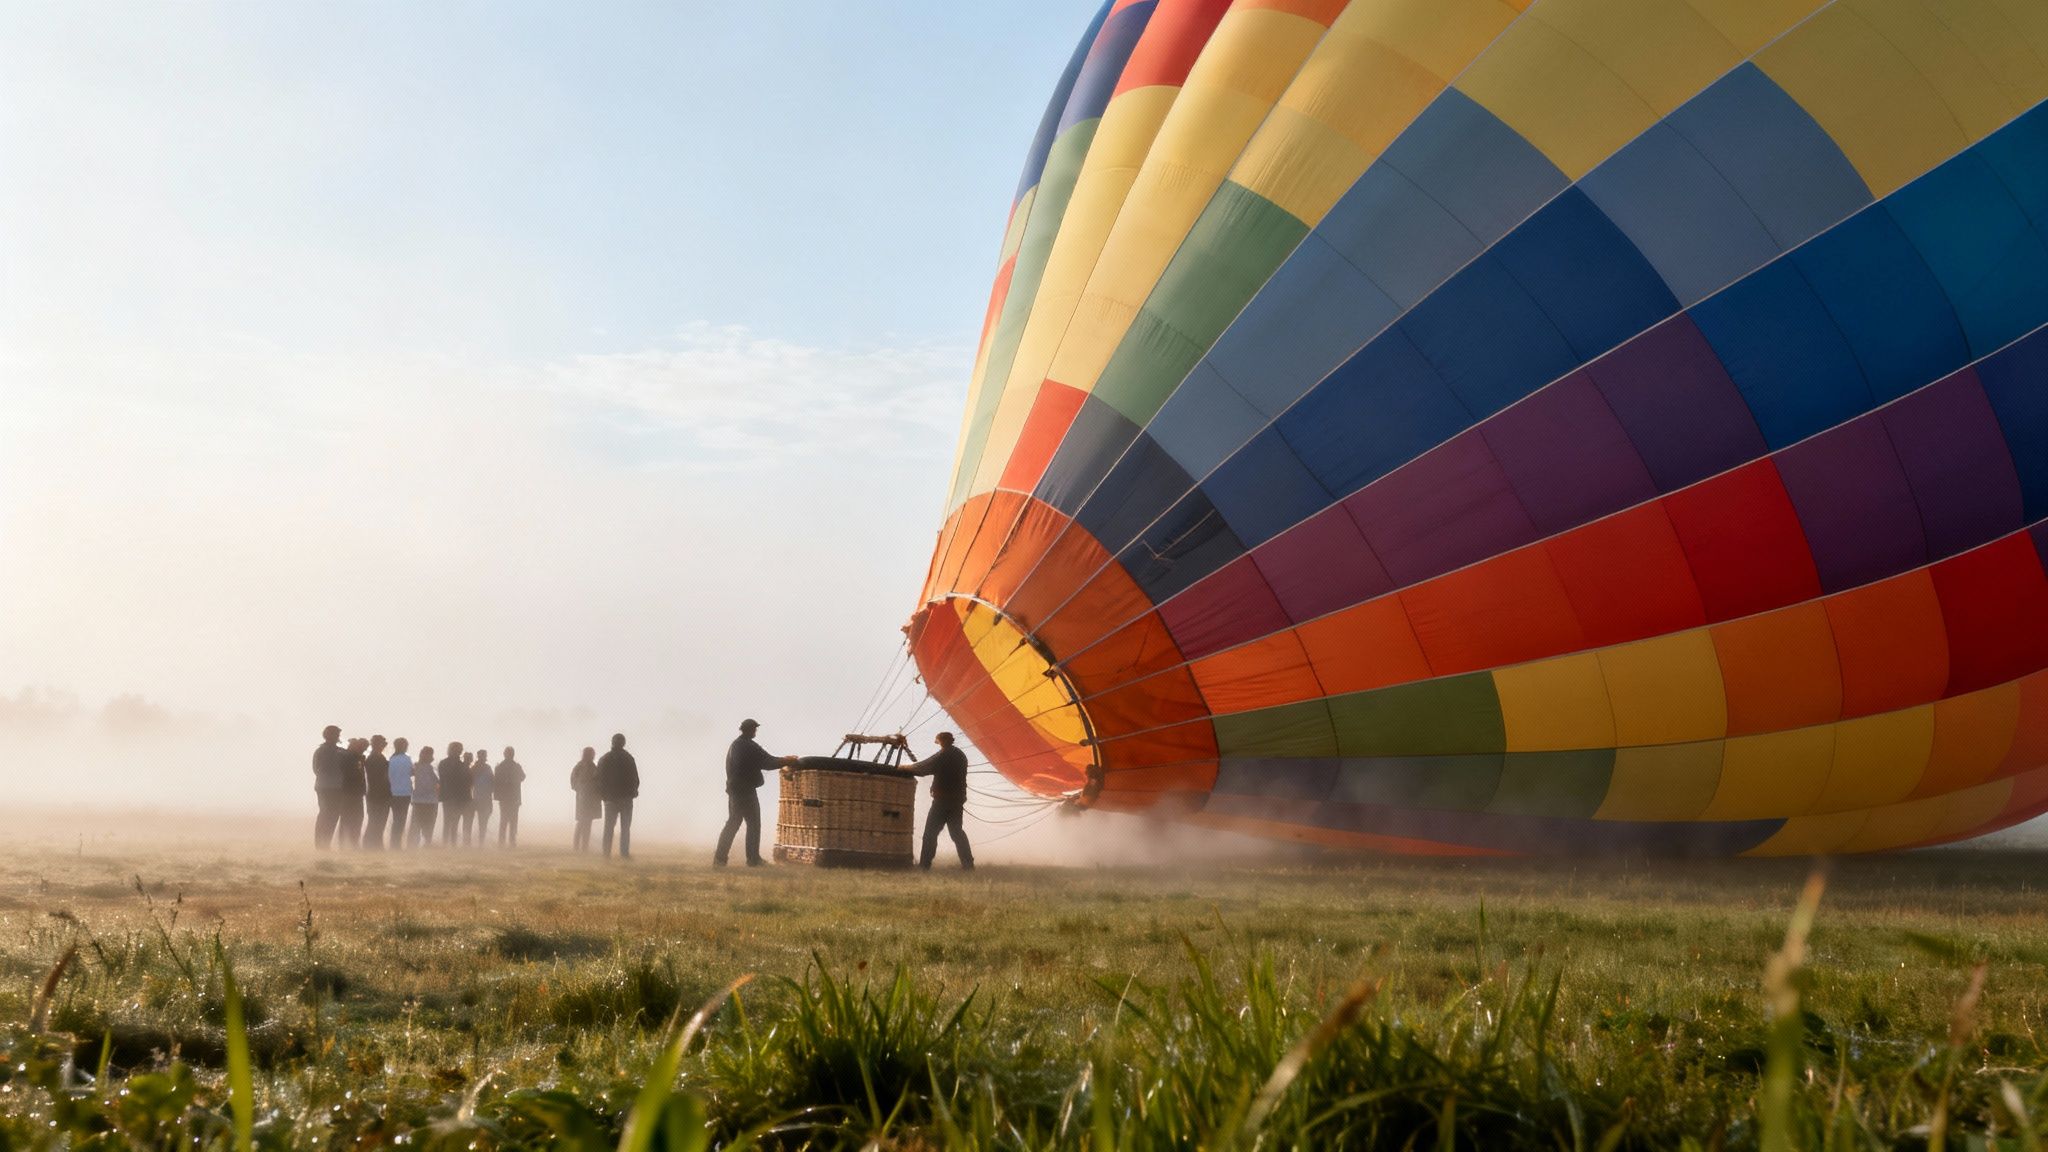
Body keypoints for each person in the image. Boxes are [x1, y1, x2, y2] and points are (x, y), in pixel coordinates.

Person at [716, 719, 797, 868]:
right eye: (754, 729)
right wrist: (787, 760)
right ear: (751, 730)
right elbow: (768, 762)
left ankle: (719, 860)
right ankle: (753, 859)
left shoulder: (735, 745)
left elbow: (766, 760)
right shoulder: (749, 746)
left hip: (734, 790)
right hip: (746, 791)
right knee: (753, 824)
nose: (755, 731)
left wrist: (783, 760)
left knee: (732, 824)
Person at [904, 731, 972, 871]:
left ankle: (924, 865)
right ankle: (968, 865)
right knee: (957, 832)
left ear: (941, 741)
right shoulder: (961, 755)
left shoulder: (942, 755)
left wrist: (904, 768)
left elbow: (924, 767)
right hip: (957, 801)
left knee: (930, 833)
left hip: (942, 801)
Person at [596, 733, 639, 860]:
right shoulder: (628, 758)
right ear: (623, 743)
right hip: (626, 798)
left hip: (610, 799)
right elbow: (635, 778)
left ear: (612, 742)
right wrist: (633, 792)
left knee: (608, 827)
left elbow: (598, 779)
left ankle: (606, 853)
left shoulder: (605, 758)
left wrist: (603, 795)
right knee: (625, 828)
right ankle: (624, 853)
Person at [311, 724, 348, 849]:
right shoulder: (340, 752)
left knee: (324, 814)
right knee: (332, 815)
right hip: (335, 787)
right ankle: (325, 843)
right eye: (337, 734)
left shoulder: (319, 751)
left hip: (322, 786)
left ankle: (320, 843)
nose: (338, 737)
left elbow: (315, 769)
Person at [338, 737, 369, 848]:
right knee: (349, 819)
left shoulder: (356, 757)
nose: (363, 750)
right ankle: (347, 844)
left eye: (365, 748)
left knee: (355, 819)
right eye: (362, 747)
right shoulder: (349, 757)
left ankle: (352, 843)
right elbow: (352, 774)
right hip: (349, 792)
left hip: (355, 793)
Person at [363, 735, 393, 850]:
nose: (384, 746)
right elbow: (382, 777)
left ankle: (374, 845)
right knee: (377, 822)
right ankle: (373, 846)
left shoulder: (374, 757)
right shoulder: (377, 758)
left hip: (375, 795)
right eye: (382, 744)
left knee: (376, 822)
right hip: (379, 795)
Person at [440, 743, 472, 846]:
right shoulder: (460, 765)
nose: (460, 752)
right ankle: (452, 843)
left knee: (449, 822)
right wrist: (467, 764)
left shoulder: (443, 763)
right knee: (453, 822)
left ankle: (447, 843)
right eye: (459, 750)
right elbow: (468, 781)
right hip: (458, 797)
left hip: (448, 796)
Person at [569, 747, 600, 852]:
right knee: (584, 823)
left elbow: (573, 782)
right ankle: (581, 847)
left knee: (584, 823)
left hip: (586, 799)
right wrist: (582, 789)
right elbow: (574, 782)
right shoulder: (585, 767)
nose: (594, 756)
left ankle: (581, 847)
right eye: (592, 754)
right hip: (585, 799)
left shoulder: (585, 766)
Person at [385, 737, 413, 850]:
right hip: (404, 793)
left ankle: (394, 844)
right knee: (400, 820)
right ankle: (396, 845)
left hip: (392, 792)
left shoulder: (391, 759)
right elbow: (411, 772)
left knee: (396, 819)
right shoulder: (407, 759)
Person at [495, 746, 525, 847]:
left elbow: (496, 781)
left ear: (504, 754)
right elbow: (523, 777)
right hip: (514, 797)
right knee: (513, 820)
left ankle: (501, 841)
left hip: (504, 798)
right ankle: (512, 842)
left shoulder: (500, 767)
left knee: (503, 820)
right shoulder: (516, 766)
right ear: (513, 754)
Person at [410, 745, 440, 847]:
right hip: (430, 801)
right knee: (428, 825)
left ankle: (414, 846)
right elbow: (438, 783)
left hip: (418, 800)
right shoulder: (432, 768)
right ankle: (426, 845)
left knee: (416, 825)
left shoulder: (416, 766)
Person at [472, 749, 495, 848]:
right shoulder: (487, 768)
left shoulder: (474, 768)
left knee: (482, 820)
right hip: (484, 797)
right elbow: (493, 781)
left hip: (478, 797)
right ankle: (481, 841)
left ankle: (480, 840)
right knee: (483, 820)